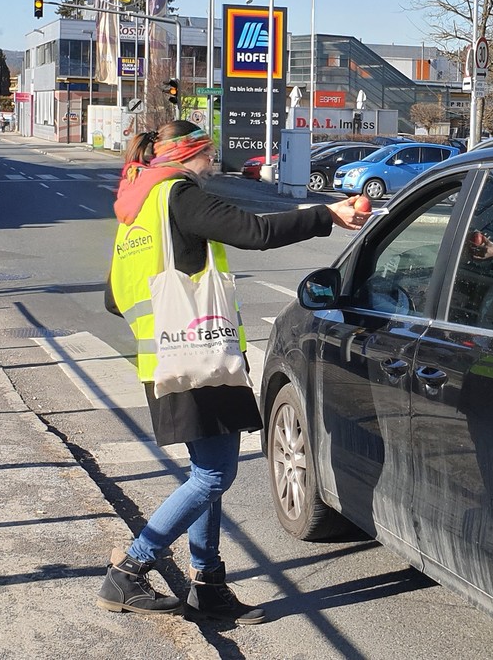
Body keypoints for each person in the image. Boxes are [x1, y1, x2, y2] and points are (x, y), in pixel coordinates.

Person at [98, 120, 367, 622]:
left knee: (208, 473)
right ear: (191, 155)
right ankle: (130, 568)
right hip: (197, 358)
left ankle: (208, 585)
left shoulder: (136, 206)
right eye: (209, 154)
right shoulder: (179, 195)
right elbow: (255, 231)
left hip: (167, 360)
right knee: (214, 474)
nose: (213, 163)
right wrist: (327, 214)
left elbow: (114, 298)